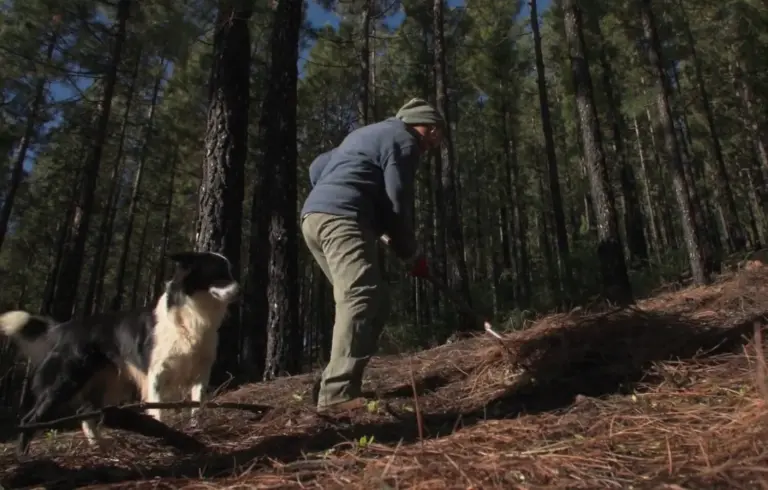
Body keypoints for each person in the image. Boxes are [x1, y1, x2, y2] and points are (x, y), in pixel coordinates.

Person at [300, 98, 445, 412]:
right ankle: (336, 396)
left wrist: (333, 195)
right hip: (342, 218)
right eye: (437, 135)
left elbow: (317, 167)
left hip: (313, 218)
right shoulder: (405, 139)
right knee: (361, 297)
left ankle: (332, 381)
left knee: (374, 302)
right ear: (430, 128)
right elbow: (398, 200)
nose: (434, 144)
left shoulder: (367, 134)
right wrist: (410, 252)